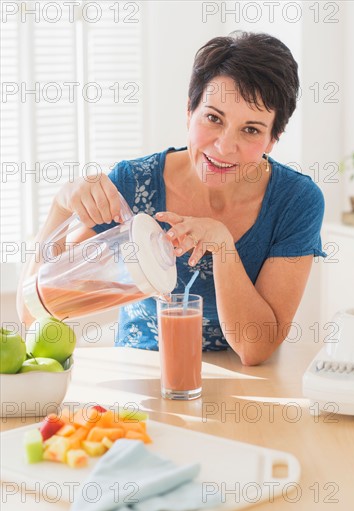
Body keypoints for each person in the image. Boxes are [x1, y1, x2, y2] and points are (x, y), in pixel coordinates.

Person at [17, 32, 326, 366]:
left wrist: (223, 247)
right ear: (189, 111)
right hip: (140, 379)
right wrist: (60, 208)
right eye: (213, 118)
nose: (224, 146)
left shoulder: (296, 201)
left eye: (251, 130)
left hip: (249, 388)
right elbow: (33, 314)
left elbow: (255, 349)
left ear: (272, 140)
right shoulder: (134, 184)